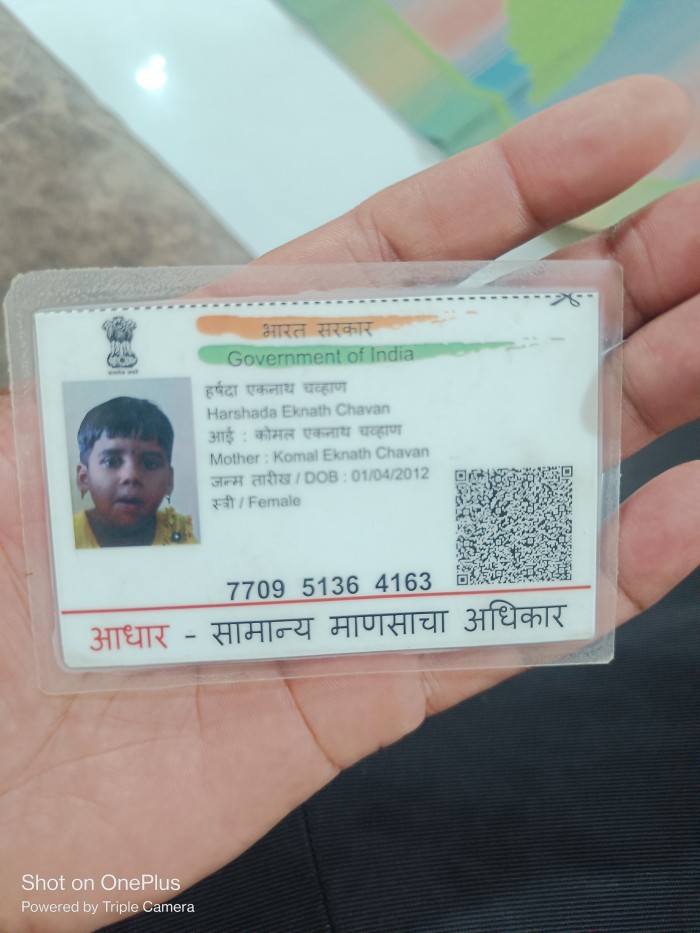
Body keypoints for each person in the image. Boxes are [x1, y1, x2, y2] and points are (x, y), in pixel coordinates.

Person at [1, 76, 699, 932]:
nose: (131, 476)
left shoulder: (175, 536)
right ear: (81, 475)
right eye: (112, 459)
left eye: (149, 459)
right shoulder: (89, 572)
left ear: (173, 476)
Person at [73, 396, 196, 547]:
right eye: (111, 462)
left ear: (169, 481)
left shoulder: (179, 533)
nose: (131, 476)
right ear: (84, 478)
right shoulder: (67, 536)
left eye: (150, 463)